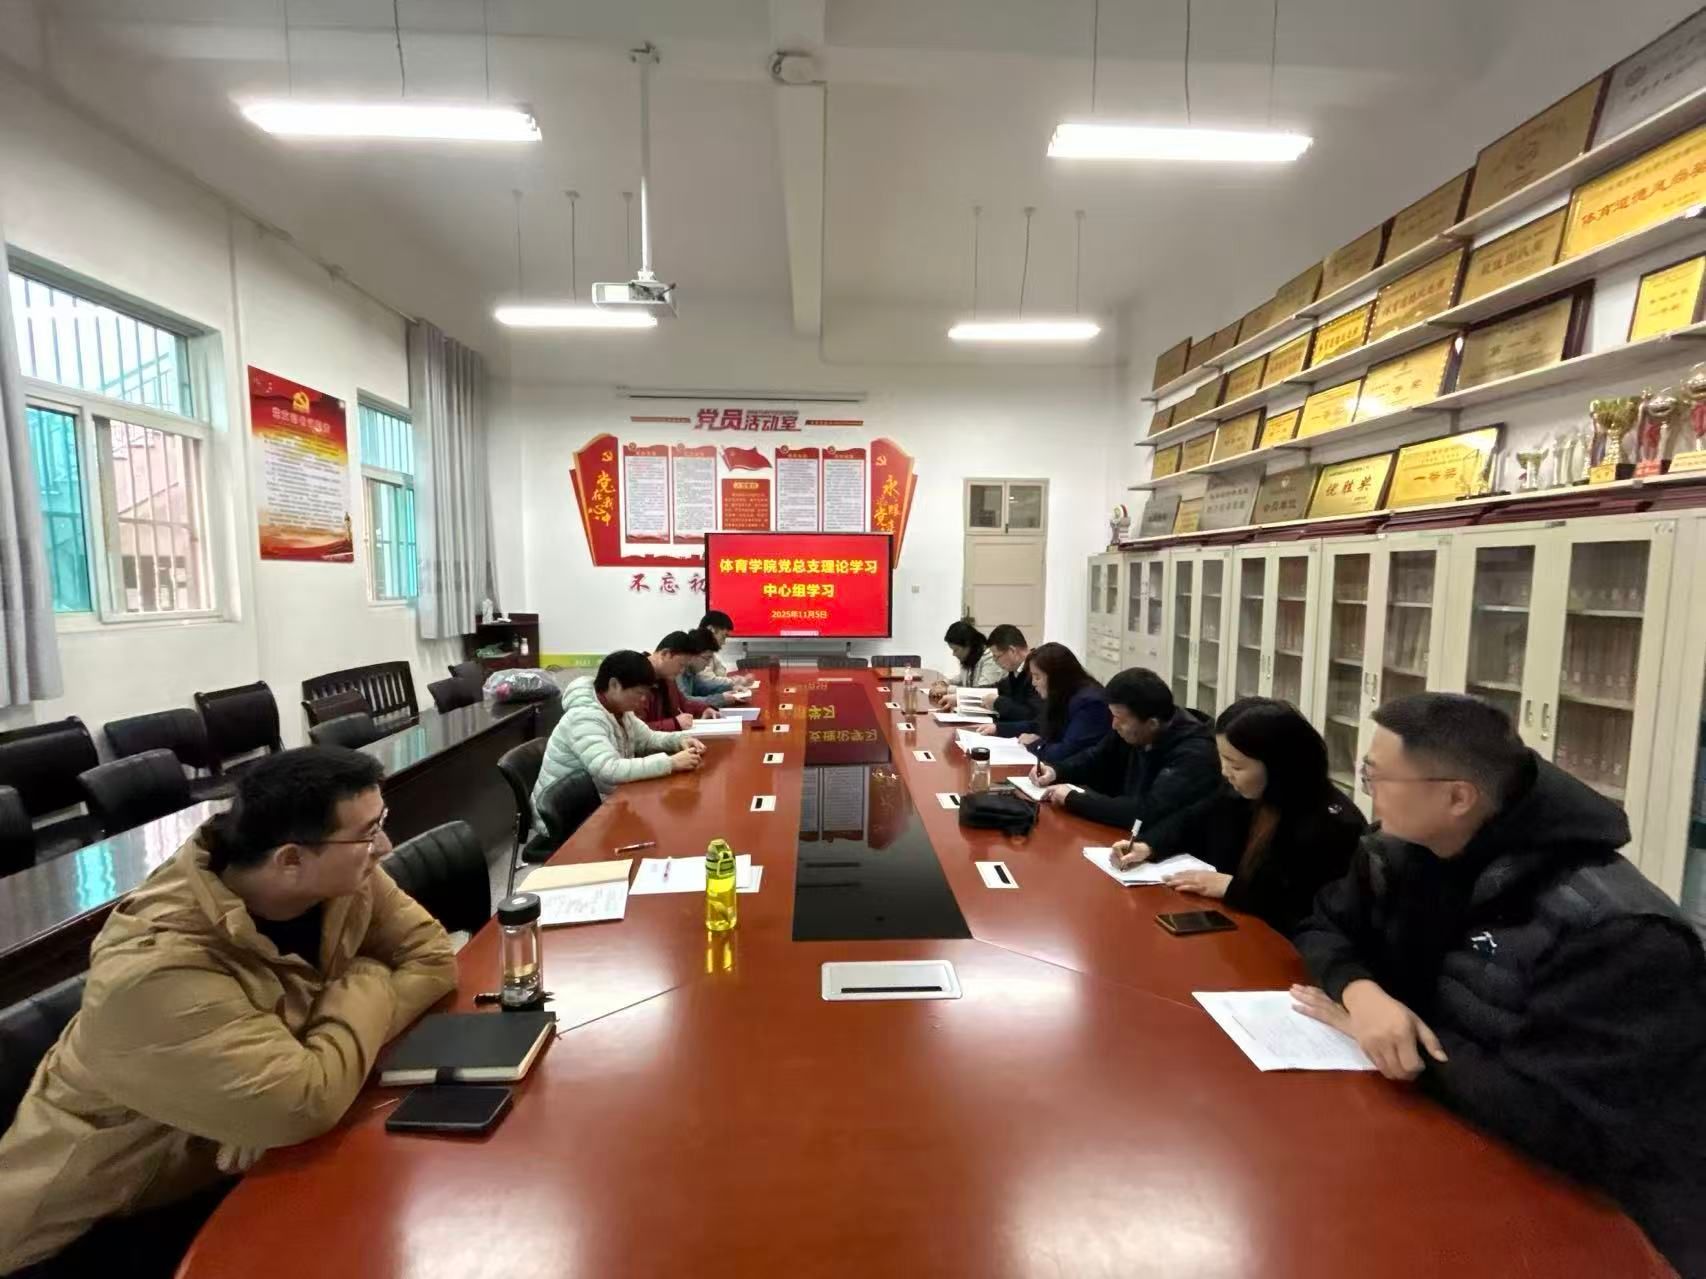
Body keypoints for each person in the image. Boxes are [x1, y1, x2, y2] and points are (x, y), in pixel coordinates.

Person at [0, 748, 457, 1278]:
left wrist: (285, 1075)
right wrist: (368, 975)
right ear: (290, 860)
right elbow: (305, 1103)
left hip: (222, 1166)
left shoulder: (337, 876)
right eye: (368, 832)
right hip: (98, 1223)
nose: (383, 846)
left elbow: (432, 958)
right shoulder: (154, 969)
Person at [1290, 693, 1706, 1276]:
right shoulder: (1403, 851)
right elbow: (1323, 925)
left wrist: (1407, 1046)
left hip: (1586, 1221)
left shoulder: (1615, 929)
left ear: (1457, 797)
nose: (1367, 792)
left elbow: (1575, 1125)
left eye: (1377, 776)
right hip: (1430, 1135)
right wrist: (1363, 995)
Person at [1110, 697, 1365, 934]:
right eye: (1222, 759)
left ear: (1279, 766)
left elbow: (1305, 909)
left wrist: (1232, 888)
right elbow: (1193, 819)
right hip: (1235, 923)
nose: (1225, 772)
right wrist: (1148, 846)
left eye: (1236, 765)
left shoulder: (1331, 825)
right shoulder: (1248, 792)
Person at [1031, 667, 1220, 842]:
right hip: (1124, 836)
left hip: (1170, 851)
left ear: (1152, 724)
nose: (1114, 725)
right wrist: (1056, 771)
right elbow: (1096, 758)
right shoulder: (1133, 728)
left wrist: (1073, 799)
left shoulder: (1194, 752)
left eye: (1119, 718)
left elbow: (1147, 812)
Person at [534, 650, 704, 807]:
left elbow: (648, 739)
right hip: (571, 814)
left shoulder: (620, 710)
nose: (644, 700)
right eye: (639, 693)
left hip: (602, 800)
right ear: (614, 684)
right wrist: (670, 763)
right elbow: (609, 769)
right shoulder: (584, 717)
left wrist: (678, 740)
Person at [980, 642, 1110, 767]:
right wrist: (998, 728)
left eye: (1037, 677)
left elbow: (1067, 751)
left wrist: (1036, 744)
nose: (1033, 683)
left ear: (1056, 677)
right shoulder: (1062, 693)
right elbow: (1038, 724)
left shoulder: (1090, 703)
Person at [638, 631, 720, 732]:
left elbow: (683, 703)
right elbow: (635, 732)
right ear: (665, 654)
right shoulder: (635, 678)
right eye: (681, 665)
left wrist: (703, 709)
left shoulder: (667, 677)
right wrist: (675, 723)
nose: (681, 671)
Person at [928, 620, 1003, 704]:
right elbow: (962, 678)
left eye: (956, 650)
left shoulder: (990, 658)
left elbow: (982, 692)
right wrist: (945, 683)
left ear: (968, 645)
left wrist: (947, 690)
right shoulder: (970, 657)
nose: (953, 654)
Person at [986, 624, 1043, 728]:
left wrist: (998, 702)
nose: (995, 661)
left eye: (997, 656)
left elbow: (1032, 715)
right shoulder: (1016, 671)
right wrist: (961, 693)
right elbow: (997, 688)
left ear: (1012, 651)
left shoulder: (1037, 671)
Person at [678, 627, 747, 709]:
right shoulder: (677, 671)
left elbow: (702, 688)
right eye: (707, 658)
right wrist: (720, 699)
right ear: (692, 654)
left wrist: (730, 688)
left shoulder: (691, 671)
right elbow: (685, 701)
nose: (708, 664)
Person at [698, 611, 756, 688]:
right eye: (723, 636)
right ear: (711, 629)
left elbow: (721, 673)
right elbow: (708, 682)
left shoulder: (708, 651)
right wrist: (740, 681)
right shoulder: (697, 650)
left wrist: (738, 680)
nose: (724, 642)